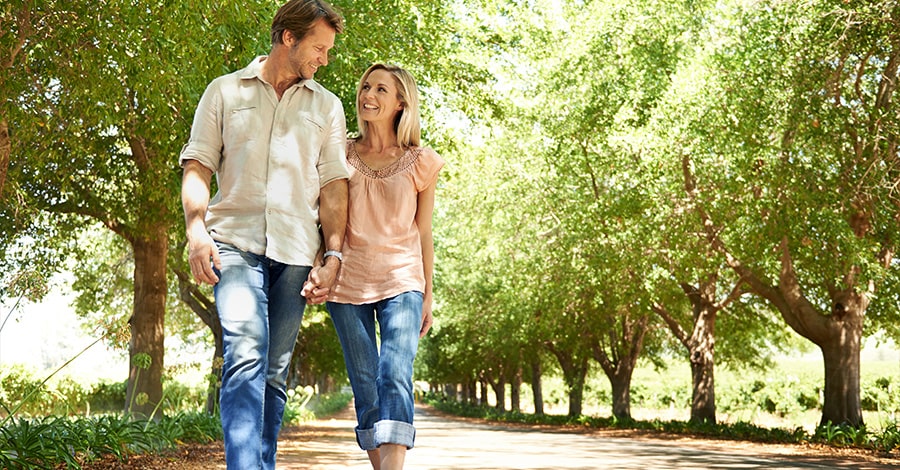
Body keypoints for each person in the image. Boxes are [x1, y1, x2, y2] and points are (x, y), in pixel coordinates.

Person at [179, 1, 348, 468]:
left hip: (296, 251)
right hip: (232, 241)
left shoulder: (327, 106)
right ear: (288, 38)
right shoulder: (224, 92)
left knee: (273, 371)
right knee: (246, 354)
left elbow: (334, 187)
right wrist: (197, 231)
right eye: (319, 48)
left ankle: (262, 462)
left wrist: (333, 254)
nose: (325, 59)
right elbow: (198, 166)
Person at [303, 63, 444, 470]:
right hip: (347, 280)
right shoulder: (339, 154)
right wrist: (320, 263)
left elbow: (423, 232)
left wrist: (428, 294)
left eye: (382, 89)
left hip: (402, 277)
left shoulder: (420, 161)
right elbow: (324, 215)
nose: (369, 94)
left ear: (401, 103)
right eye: (367, 86)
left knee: (394, 370)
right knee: (365, 382)